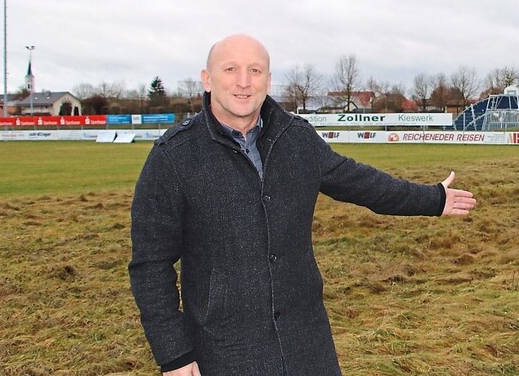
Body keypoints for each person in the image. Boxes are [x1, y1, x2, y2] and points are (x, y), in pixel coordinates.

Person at [129, 34, 477, 376]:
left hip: (306, 342)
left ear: (268, 80)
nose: (243, 82)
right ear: (207, 79)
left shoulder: (296, 138)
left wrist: (433, 198)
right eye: (230, 69)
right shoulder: (174, 156)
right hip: (225, 349)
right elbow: (150, 263)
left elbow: (361, 183)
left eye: (254, 70)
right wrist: (174, 354)